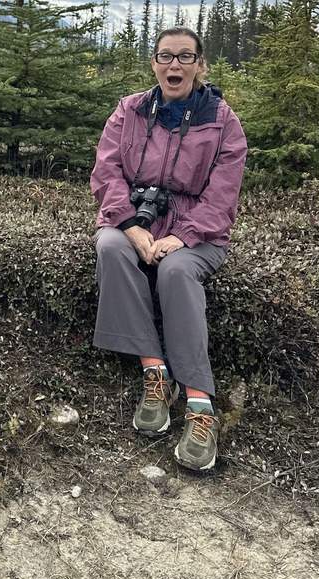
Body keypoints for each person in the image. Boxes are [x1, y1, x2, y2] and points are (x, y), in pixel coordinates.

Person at [90, 27, 247, 471]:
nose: (174, 65)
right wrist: (131, 226)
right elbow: (107, 170)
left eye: (184, 57)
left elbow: (224, 193)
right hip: (140, 217)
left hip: (199, 232)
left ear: (201, 65)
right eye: (165, 56)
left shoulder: (223, 121)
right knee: (110, 246)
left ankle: (200, 405)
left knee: (177, 271)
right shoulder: (130, 110)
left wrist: (184, 235)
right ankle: (155, 372)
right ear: (154, 62)